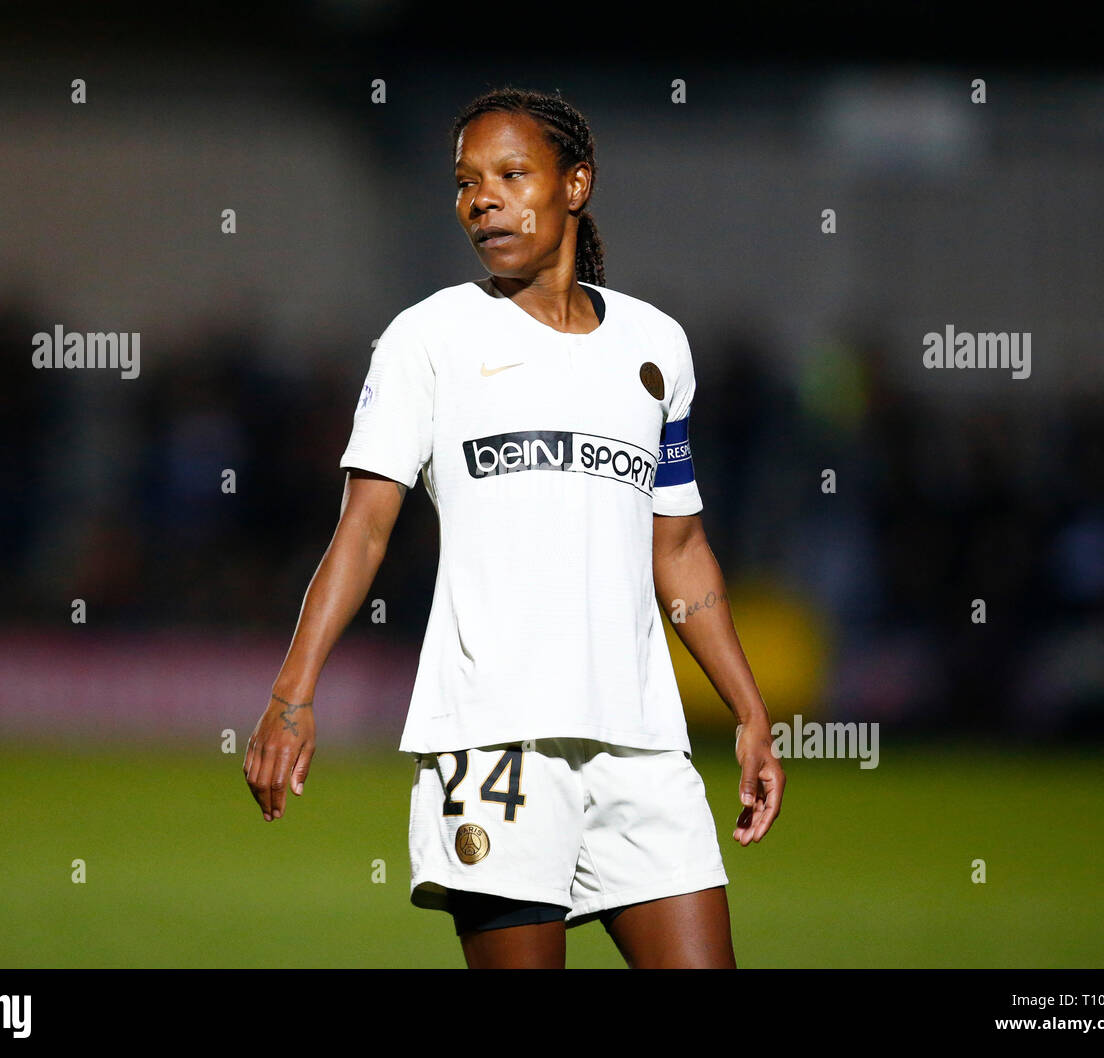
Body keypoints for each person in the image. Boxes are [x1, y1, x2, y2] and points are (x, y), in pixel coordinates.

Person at [244, 86, 784, 969]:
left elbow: (678, 548)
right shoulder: (428, 340)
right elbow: (363, 532)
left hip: (642, 743)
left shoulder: (655, 348)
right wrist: (292, 695)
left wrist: (751, 712)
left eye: (510, 174)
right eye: (465, 182)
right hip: (496, 741)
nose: (481, 198)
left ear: (576, 186)